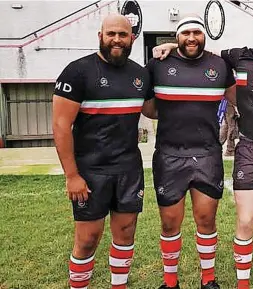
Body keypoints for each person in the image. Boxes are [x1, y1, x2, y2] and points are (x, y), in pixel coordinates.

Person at [154, 15, 253, 289]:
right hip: (247, 149)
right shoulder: (238, 57)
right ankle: (241, 284)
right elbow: (199, 52)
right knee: (246, 218)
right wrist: (168, 47)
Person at [52, 14, 150, 289]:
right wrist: (72, 175)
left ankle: (118, 285)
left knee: (126, 232)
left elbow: (154, 109)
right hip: (91, 171)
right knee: (87, 239)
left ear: (132, 38)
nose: (117, 39)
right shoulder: (78, 71)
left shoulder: (140, 74)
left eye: (123, 34)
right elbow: (61, 126)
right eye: (111, 34)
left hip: (129, 169)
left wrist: (168, 55)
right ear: (100, 36)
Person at [142, 15, 236, 289]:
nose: (192, 37)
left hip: (207, 154)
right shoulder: (158, 64)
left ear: (205, 35)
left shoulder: (219, 65)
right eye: (186, 33)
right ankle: (170, 283)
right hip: (169, 154)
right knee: (170, 224)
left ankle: (208, 281)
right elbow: (149, 108)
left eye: (197, 32)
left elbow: (237, 97)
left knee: (206, 219)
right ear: (177, 37)